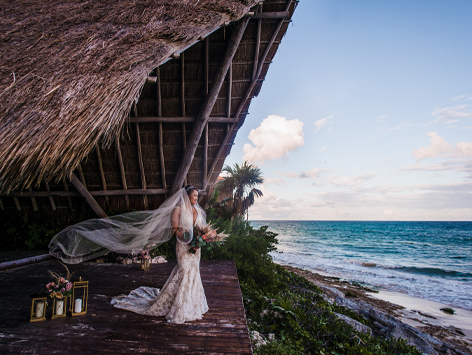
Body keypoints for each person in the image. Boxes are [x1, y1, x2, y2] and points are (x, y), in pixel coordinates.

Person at [49, 185, 210, 323]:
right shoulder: (178, 209)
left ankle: (193, 304)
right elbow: (176, 230)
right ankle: (180, 306)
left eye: (197, 196)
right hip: (183, 247)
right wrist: (186, 239)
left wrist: (202, 239)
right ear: (186, 196)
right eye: (194, 195)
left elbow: (201, 229)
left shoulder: (197, 210)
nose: (196, 198)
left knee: (194, 272)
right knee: (183, 270)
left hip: (196, 249)